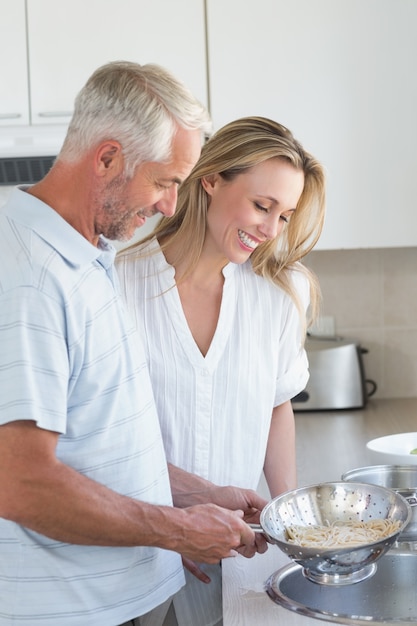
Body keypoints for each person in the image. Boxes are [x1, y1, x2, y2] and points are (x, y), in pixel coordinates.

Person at [0, 63, 269, 626]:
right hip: (75, 613)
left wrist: (191, 494)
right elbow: (21, 483)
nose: (171, 205)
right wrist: (175, 528)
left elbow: (91, 440)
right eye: (166, 181)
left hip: (132, 598)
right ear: (106, 160)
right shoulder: (28, 277)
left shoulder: (87, 255)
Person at [116, 116, 326, 625]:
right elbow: (105, 436)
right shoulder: (119, 284)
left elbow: (277, 405)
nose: (271, 229)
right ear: (210, 179)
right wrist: (167, 521)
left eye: (285, 214)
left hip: (241, 551)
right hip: (138, 549)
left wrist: (288, 522)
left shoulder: (279, 291)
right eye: (261, 205)